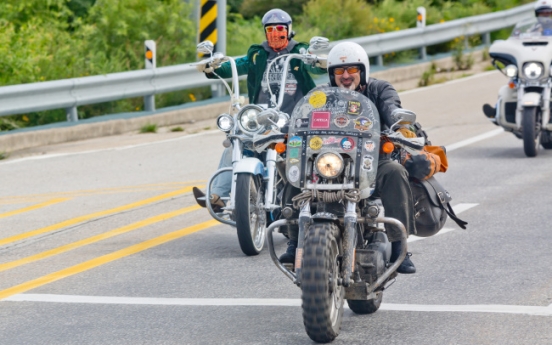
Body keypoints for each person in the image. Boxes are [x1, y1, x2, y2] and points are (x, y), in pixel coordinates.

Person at [280, 41, 428, 274]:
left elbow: (391, 109)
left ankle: (400, 246)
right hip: (327, 163)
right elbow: (299, 119)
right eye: (339, 71)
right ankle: (292, 239)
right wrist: (283, 131)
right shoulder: (320, 96)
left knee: (395, 172)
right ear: (331, 74)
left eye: (352, 70)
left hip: (370, 162)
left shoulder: (379, 90)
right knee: (293, 169)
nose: (346, 75)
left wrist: (399, 126)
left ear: (363, 71)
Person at [192, 8, 327, 211]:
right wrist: (214, 68)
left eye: (280, 28)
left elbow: (313, 64)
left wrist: (319, 60)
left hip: (295, 118)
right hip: (261, 117)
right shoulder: (258, 54)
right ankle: (218, 196)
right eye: (270, 29)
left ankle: (317, 196)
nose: (275, 34)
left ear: (289, 30)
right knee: (237, 140)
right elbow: (236, 66)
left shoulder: (298, 51)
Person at [483, 0, 552, 118]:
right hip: (534, 66)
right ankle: (497, 110)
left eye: (548, 13)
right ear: (537, 15)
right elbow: (517, 40)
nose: (545, 16)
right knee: (513, 82)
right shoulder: (533, 29)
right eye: (542, 14)